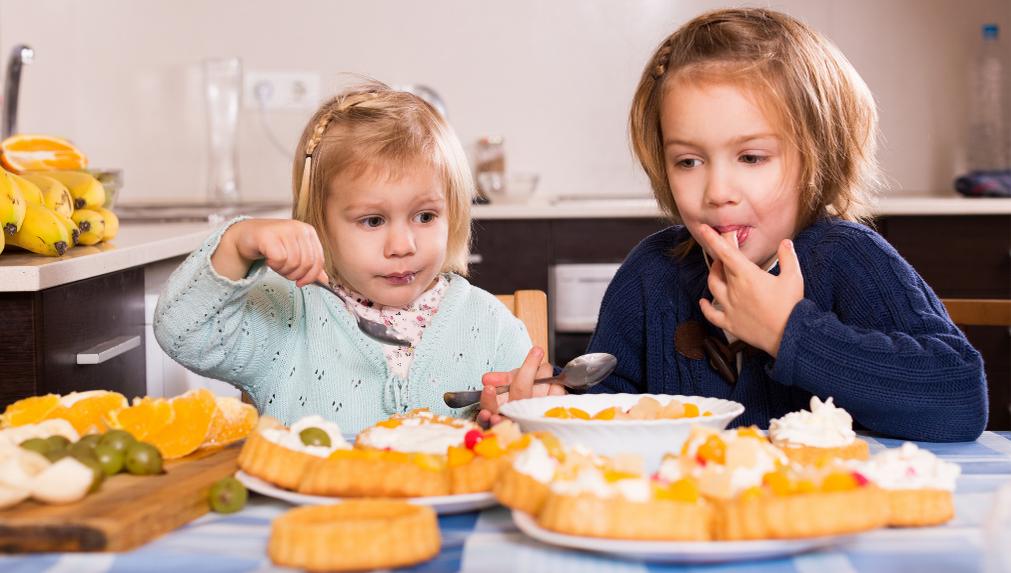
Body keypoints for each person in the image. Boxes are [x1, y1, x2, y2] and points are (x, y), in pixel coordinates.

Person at [480, 8, 987, 441]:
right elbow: (614, 403)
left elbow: (961, 398)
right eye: (688, 161)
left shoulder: (848, 257)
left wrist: (789, 333)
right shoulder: (649, 275)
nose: (717, 191)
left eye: (751, 157)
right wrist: (558, 404)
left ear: (820, 156)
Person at [155, 81, 533, 433]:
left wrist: (518, 414)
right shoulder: (286, 316)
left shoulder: (493, 327)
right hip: (310, 505)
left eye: (425, 216)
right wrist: (236, 243)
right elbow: (183, 335)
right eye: (372, 220)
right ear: (319, 223)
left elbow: (529, 427)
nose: (402, 245)